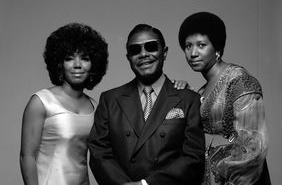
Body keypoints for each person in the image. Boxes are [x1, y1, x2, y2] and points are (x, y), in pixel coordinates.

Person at [87, 24, 205, 185]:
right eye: (135, 50)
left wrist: (145, 184)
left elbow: (193, 158)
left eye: (151, 47)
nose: (143, 54)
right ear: (128, 57)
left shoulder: (188, 99)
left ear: (164, 52)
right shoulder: (110, 99)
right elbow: (99, 153)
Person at [177, 12, 271, 185]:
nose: (193, 53)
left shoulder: (239, 81)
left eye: (201, 45)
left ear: (217, 48)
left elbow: (253, 147)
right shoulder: (201, 91)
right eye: (188, 46)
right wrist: (185, 95)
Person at [19, 23, 108, 185]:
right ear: (59, 63)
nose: (77, 65)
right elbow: (27, 156)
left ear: (94, 64)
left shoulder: (96, 107)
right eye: (69, 58)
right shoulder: (41, 102)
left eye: (85, 58)